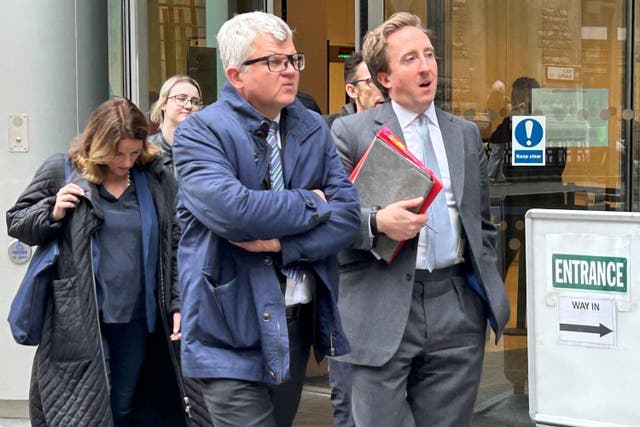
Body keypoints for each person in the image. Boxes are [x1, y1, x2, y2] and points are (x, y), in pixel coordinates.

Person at [172, 11, 360, 427]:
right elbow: (235, 213)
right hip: (228, 332)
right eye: (275, 61)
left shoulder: (311, 126)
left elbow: (347, 216)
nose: (290, 71)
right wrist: (312, 203)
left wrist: (282, 243)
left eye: (294, 59)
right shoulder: (200, 132)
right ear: (236, 74)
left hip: (294, 325)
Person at [331, 12, 510, 426]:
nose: (426, 66)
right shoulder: (351, 133)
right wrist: (376, 222)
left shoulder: (464, 133)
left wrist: (481, 298)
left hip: (455, 306)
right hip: (380, 304)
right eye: (410, 58)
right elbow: (330, 220)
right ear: (384, 77)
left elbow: (479, 222)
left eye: (429, 55)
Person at [6, 98, 194, 426]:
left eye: (134, 153)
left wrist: (177, 300)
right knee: (82, 412)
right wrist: (52, 209)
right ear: (97, 144)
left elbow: (176, 243)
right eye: (117, 153)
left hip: (137, 318)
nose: (125, 161)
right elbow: (17, 221)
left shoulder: (155, 177)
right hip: (77, 317)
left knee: (123, 405)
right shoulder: (63, 169)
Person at [324, 50, 384, 427]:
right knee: (347, 394)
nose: (381, 90)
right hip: (348, 280)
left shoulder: (398, 130)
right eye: (371, 83)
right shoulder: (334, 134)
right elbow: (328, 211)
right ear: (352, 90)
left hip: (393, 278)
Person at [488, 76, 541, 184]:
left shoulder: (497, 99)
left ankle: (498, 177)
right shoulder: (499, 100)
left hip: (498, 133)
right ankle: (491, 176)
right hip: (499, 133)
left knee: (498, 155)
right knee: (497, 154)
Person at [149, 75, 203, 169]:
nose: (189, 106)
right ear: (164, 104)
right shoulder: (146, 150)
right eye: (181, 99)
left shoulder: (205, 151)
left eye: (195, 102)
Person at [325, 51, 385, 129]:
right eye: (372, 81)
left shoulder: (399, 125)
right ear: (352, 91)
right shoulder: (330, 129)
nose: (383, 88)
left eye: (385, 79)